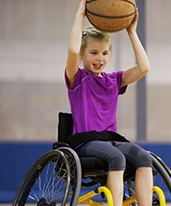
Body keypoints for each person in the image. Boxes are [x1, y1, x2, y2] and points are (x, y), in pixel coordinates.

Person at [65, 1, 152, 206]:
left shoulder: (113, 80)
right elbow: (71, 51)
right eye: (93, 53)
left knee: (144, 157)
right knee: (117, 158)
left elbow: (144, 66)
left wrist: (131, 32)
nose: (100, 58)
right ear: (82, 55)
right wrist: (80, 15)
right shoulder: (77, 78)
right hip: (85, 142)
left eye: (105, 53)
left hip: (110, 139)